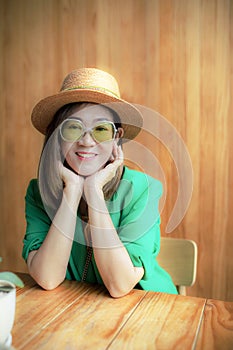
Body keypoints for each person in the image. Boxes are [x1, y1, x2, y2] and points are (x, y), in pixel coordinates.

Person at [22, 68, 177, 297]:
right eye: (73, 128)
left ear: (117, 137)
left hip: (146, 312)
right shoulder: (38, 193)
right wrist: (72, 191)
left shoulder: (142, 189)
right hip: (75, 311)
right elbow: (47, 277)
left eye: (101, 130)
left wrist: (93, 191)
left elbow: (119, 285)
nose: (86, 141)